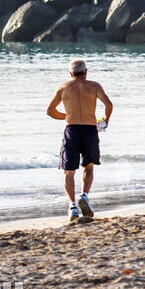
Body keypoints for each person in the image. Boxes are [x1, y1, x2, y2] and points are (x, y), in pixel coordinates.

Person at [46, 58, 113, 221]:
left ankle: (72, 206)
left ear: (70, 74)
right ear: (86, 72)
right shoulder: (94, 86)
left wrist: (67, 116)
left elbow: (50, 111)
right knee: (88, 167)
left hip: (72, 130)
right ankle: (84, 196)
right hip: (90, 129)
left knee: (69, 171)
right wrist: (105, 119)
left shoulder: (64, 87)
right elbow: (109, 104)